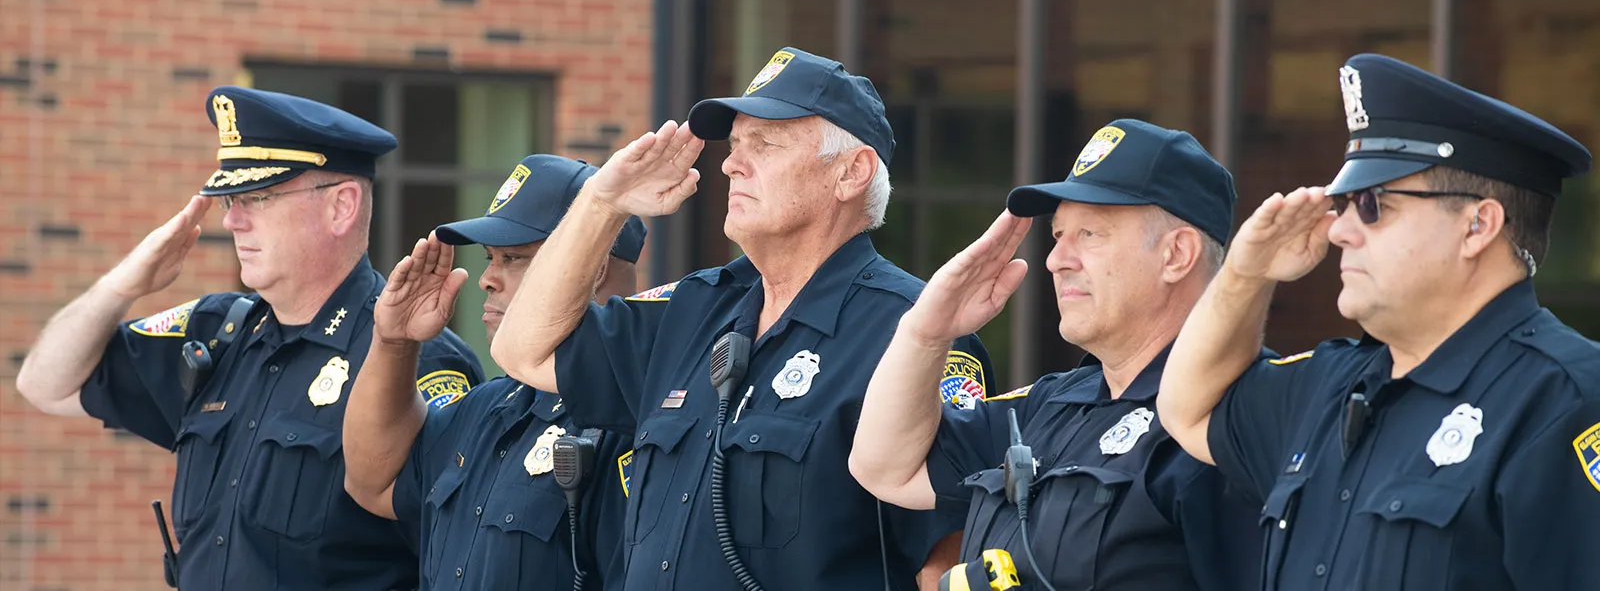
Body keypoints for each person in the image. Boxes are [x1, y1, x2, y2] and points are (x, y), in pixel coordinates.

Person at [489, 47, 995, 590]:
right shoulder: (693, 308)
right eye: (734, 145)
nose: (731, 163)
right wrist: (602, 205)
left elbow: (944, 557)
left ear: (852, 172)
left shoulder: (915, 332)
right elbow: (524, 350)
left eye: (766, 144)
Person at [1156, 53, 1600, 591]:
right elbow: (1185, 408)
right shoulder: (1333, 385)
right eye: (1341, 205)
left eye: (1372, 205)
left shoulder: (1564, 401)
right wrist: (1246, 275)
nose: (1340, 231)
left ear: (1477, 225)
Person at [13, 86, 486, 590]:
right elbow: (46, 384)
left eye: (257, 197)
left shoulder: (413, 359)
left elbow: (459, 559)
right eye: (231, 201)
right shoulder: (218, 332)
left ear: (341, 207)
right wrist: (122, 286)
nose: (232, 220)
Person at [851, 119, 1262, 590]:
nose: (1056, 259)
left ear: (1176, 254)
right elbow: (884, 469)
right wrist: (926, 333)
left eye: (1089, 234)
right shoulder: (1053, 404)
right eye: (1057, 235)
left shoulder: (1240, 418)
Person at [343, 154, 646, 590]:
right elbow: (373, 480)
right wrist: (394, 341)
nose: (487, 278)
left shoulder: (637, 412)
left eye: (514, 258)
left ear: (592, 269)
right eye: (490, 258)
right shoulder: (495, 404)